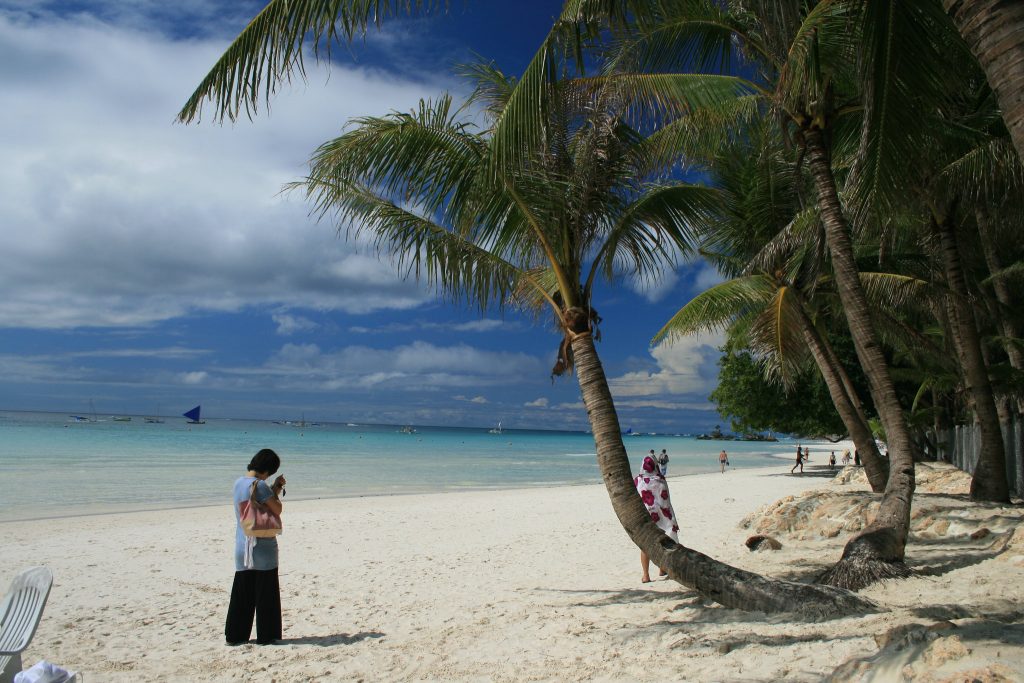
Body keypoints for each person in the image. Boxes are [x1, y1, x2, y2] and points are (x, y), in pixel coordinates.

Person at [226, 448, 287, 646]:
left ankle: (235, 636)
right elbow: (276, 509)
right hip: (262, 546)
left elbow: (253, 505)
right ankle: (267, 636)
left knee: (242, 593)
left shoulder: (238, 483)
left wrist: (273, 489)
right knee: (266, 593)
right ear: (267, 469)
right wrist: (275, 489)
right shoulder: (260, 485)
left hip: (242, 545)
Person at [633, 455, 679, 583]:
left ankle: (646, 575)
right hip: (663, 516)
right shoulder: (661, 479)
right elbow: (666, 499)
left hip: (647, 516)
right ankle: (662, 569)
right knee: (663, 542)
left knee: (645, 546)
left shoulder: (638, 480)